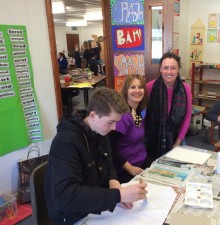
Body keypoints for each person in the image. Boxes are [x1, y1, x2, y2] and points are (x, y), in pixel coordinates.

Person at [44, 87, 148, 225]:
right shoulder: (65, 143)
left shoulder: (99, 130)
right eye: (111, 122)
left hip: (94, 207)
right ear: (93, 115)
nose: (114, 128)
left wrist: (113, 182)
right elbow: (65, 197)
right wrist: (119, 195)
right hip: (73, 216)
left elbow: (107, 160)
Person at [144, 52, 192, 160]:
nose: (169, 72)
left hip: (177, 135)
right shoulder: (150, 87)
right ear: (160, 69)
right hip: (153, 137)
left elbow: (187, 117)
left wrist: (177, 142)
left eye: (173, 68)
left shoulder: (186, 89)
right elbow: (143, 114)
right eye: (165, 68)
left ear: (178, 69)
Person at [109, 75, 153, 183]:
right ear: (126, 91)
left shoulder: (137, 111)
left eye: (140, 87)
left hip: (142, 161)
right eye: (133, 87)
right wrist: (129, 168)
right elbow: (109, 148)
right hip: (127, 169)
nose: (137, 91)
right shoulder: (122, 116)